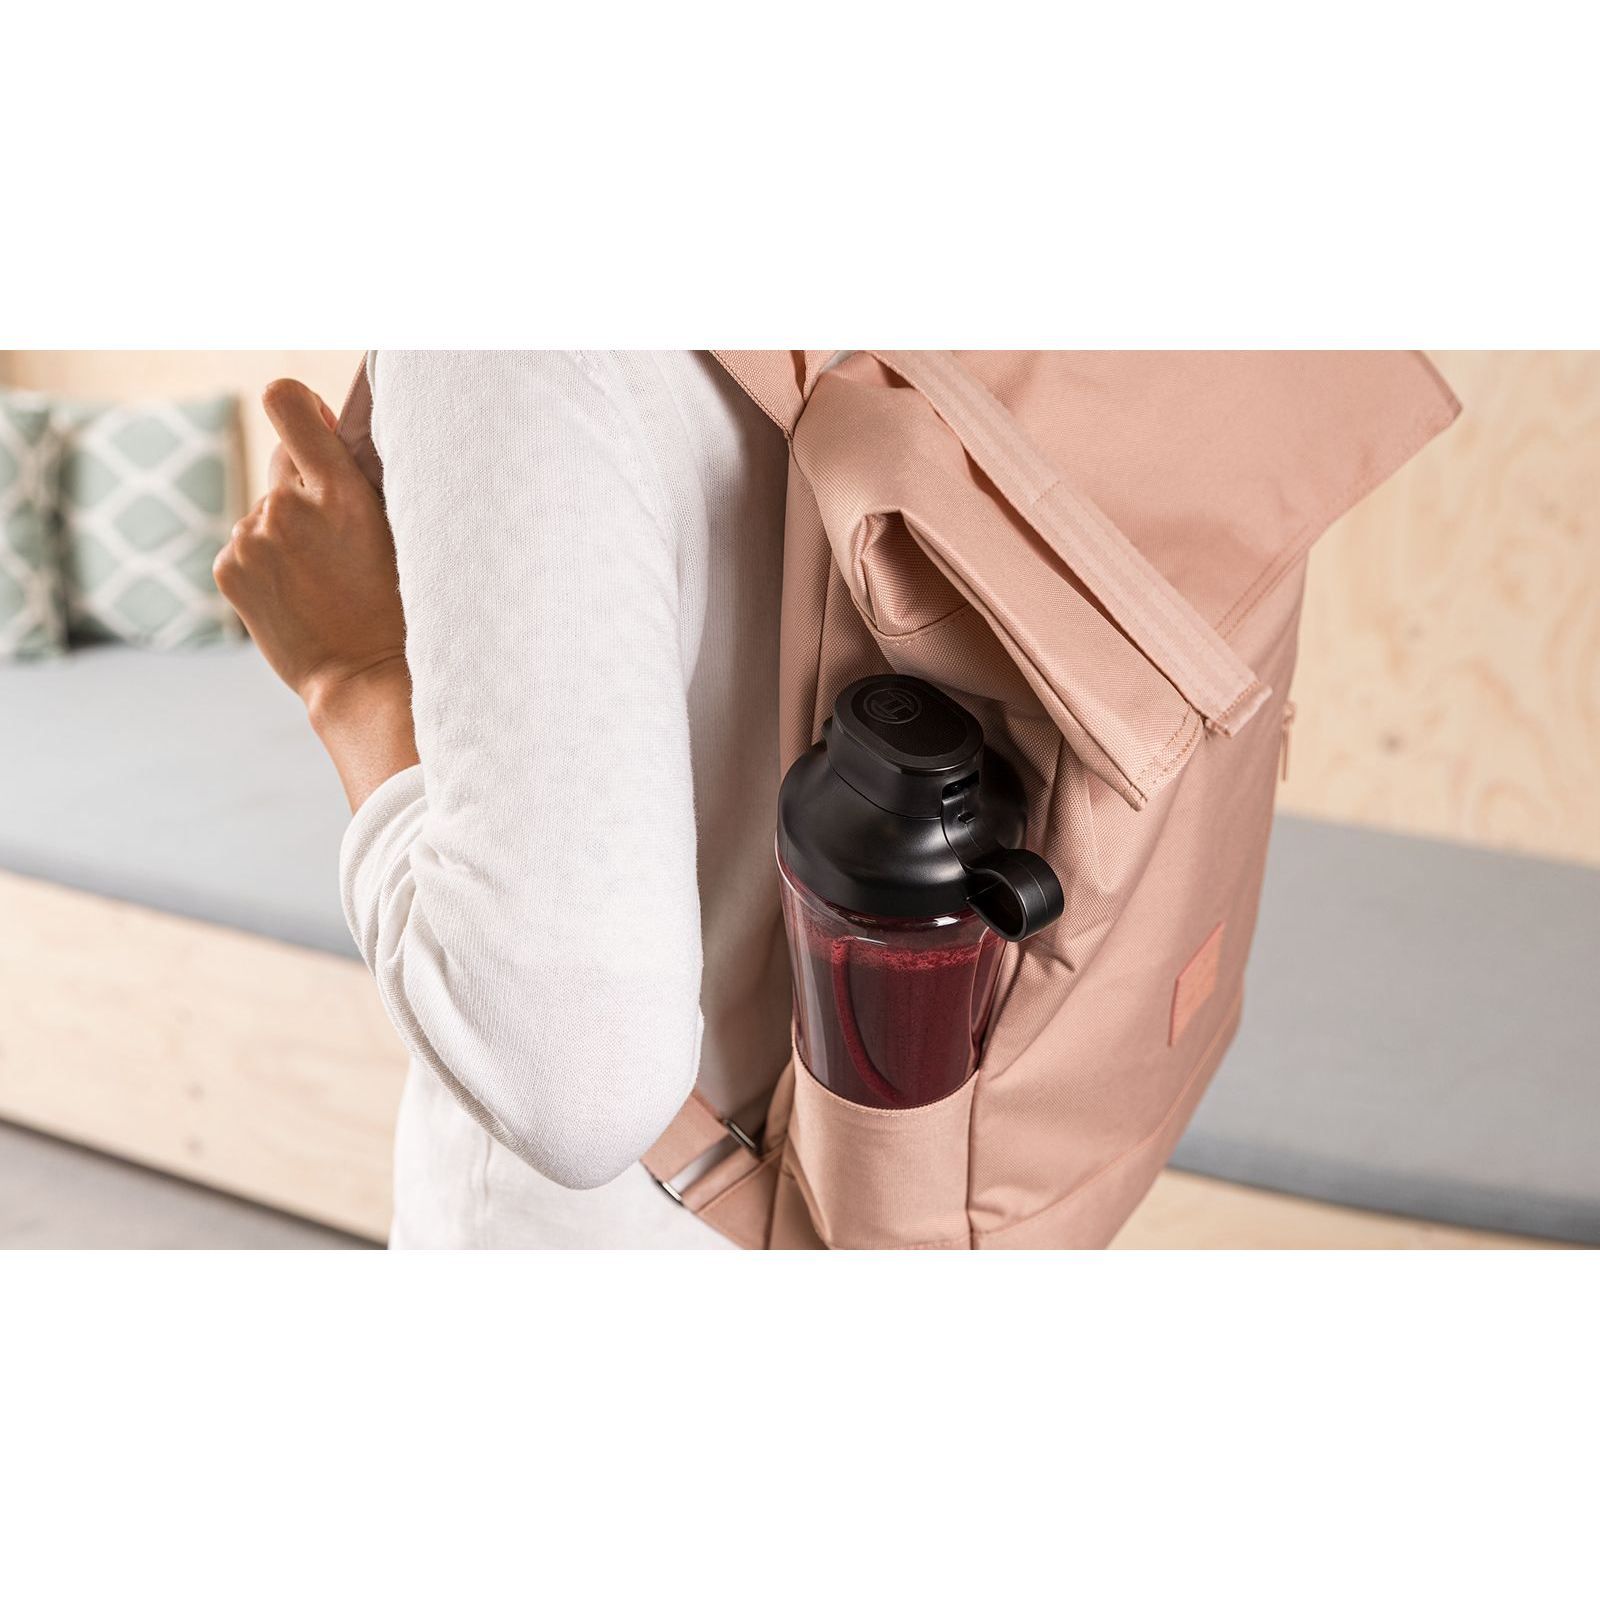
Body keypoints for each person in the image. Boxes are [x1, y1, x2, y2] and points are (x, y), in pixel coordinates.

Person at [216, 353, 791, 1247]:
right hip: (898, 1156)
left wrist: (350, 676)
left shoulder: (494, 354)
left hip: (614, 1231)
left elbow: (575, 1081)